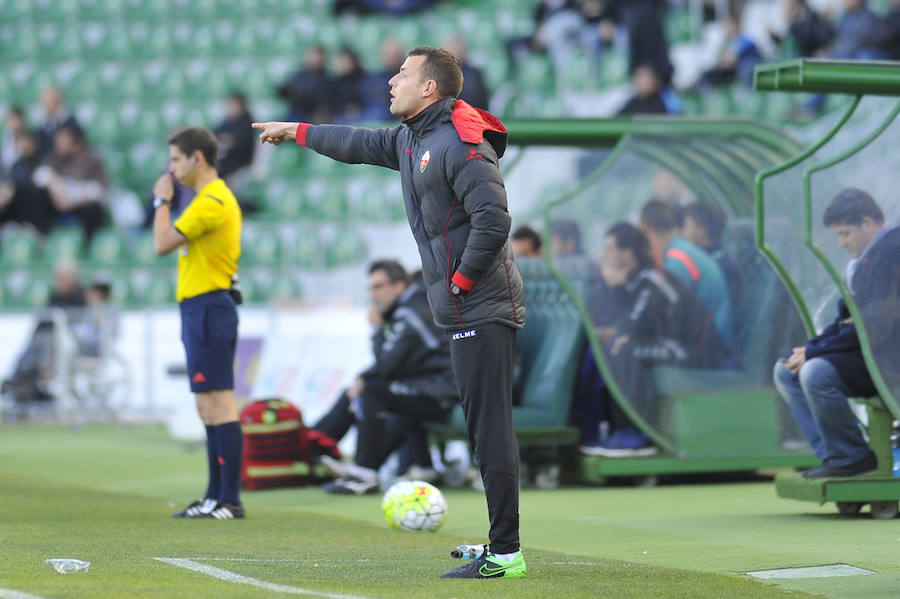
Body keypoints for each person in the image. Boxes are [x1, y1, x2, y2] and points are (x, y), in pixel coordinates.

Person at [252, 45, 527, 579]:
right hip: (462, 308)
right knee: (479, 427)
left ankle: (506, 553)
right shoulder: (413, 137)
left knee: (490, 427)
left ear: (430, 88)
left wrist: (460, 282)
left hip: (482, 305)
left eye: (403, 73)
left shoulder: (462, 143)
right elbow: (357, 142)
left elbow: (494, 221)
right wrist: (298, 131)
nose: (391, 80)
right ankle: (499, 542)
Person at [774, 189, 900, 478]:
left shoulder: (893, 251)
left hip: (890, 360)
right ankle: (835, 456)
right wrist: (810, 347)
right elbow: (847, 320)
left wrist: (816, 353)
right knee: (787, 371)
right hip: (872, 356)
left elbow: (875, 326)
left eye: (846, 234)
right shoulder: (864, 261)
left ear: (868, 223)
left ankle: (851, 457)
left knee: (816, 372)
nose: (841, 244)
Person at [152, 127, 244, 520]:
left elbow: (161, 243)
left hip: (209, 306)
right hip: (201, 306)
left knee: (220, 404)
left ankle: (228, 500)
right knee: (207, 407)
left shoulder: (212, 201)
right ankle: (213, 496)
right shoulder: (207, 199)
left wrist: (160, 200)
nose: (171, 167)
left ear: (197, 158)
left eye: (175, 159)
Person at [574, 223, 727, 456]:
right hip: (663, 344)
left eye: (609, 249)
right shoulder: (630, 281)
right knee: (609, 347)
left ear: (628, 254)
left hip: (698, 349)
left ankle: (639, 432)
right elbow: (613, 319)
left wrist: (613, 288)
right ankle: (603, 428)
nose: (604, 256)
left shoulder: (653, 278)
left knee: (625, 349)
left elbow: (632, 325)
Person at [313, 260, 457, 494]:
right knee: (368, 388)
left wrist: (378, 329)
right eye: (371, 288)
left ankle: (359, 470)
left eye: (378, 287)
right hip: (432, 386)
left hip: (443, 391)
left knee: (371, 390)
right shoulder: (416, 304)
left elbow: (388, 365)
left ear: (399, 286)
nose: (373, 295)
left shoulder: (411, 311)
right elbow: (396, 365)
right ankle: (322, 450)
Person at [639, 199, 733, 348]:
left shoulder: (677, 263)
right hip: (709, 338)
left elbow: (663, 314)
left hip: (711, 348)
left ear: (646, 230)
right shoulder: (680, 251)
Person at [33, 122, 108, 243]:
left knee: (95, 210)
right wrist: (55, 184)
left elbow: (98, 191)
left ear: (76, 143)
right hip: (58, 201)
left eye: (62, 140)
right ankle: (41, 238)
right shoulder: (56, 157)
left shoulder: (93, 160)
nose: (58, 143)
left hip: (81, 205)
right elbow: (40, 175)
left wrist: (71, 200)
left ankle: (87, 246)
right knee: (35, 194)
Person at [681, 201, 742, 316]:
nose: (681, 233)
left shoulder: (719, 267)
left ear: (701, 231)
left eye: (685, 226)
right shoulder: (717, 260)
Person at [276, 45, 334, 124]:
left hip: (311, 117)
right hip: (295, 114)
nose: (314, 59)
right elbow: (284, 92)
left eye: (317, 56)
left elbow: (322, 101)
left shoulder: (326, 79)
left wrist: (301, 94)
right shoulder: (299, 75)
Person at [214, 92, 255, 184]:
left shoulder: (248, 123)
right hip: (225, 161)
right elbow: (215, 135)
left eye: (232, 104)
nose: (230, 108)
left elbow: (240, 143)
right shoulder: (227, 122)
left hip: (240, 164)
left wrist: (229, 141)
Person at [35, 85, 80, 157]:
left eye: (49, 102)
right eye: (43, 103)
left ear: (58, 102)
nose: (45, 107)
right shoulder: (42, 126)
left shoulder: (71, 123)